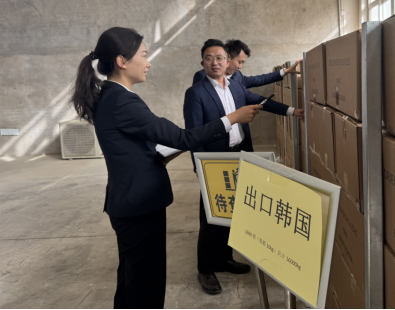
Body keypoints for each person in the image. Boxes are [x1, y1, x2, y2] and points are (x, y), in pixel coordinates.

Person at [70, 27, 262, 309]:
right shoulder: (123, 101)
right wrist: (232, 118)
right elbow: (183, 137)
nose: (148, 63)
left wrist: (162, 154)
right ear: (122, 61)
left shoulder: (111, 97)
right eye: (143, 55)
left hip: (130, 203)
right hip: (139, 206)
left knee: (132, 280)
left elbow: (134, 147)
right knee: (145, 286)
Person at [184, 39, 304, 295]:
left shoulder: (236, 86)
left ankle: (224, 258)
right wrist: (199, 167)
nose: (215, 63)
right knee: (211, 216)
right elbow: (193, 135)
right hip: (214, 161)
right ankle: (206, 269)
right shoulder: (195, 93)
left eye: (219, 58)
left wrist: (293, 111)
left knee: (234, 210)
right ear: (202, 63)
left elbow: (261, 100)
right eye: (209, 58)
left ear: (227, 61)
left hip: (239, 155)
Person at [192, 39, 302, 88]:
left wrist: (285, 71)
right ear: (228, 58)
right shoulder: (202, 76)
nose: (240, 67)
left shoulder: (237, 76)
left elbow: (259, 79)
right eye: (239, 62)